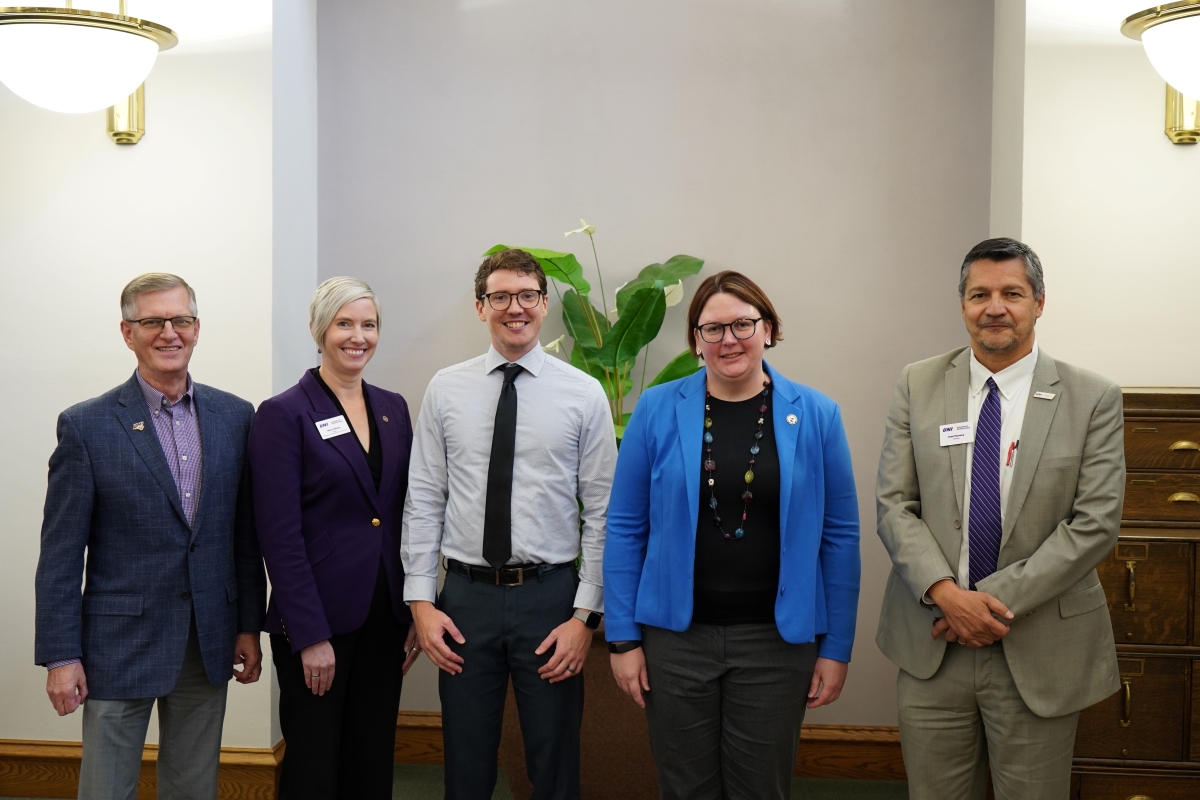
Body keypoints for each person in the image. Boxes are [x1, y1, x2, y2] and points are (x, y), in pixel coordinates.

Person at [875, 237, 1125, 800]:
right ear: (962, 304)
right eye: (979, 293)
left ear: (1039, 302)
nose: (995, 306)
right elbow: (894, 505)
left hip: (1035, 644)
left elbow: (1095, 523)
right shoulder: (917, 383)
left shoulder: (1092, 397)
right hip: (934, 642)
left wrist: (985, 604)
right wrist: (947, 595)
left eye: (1011, 293)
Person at [604, 270, 861, 800]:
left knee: (761, 790)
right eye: (712, 329)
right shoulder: (656, 409)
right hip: (676, 642)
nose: (729, 340)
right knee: (685, 788)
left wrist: (836, 648)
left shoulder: (816, 414)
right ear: (696, 341)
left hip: (776, 644)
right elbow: (626, 528)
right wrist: (623, 638)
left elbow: (840, 537)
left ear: (768, 328)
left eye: (743, 324)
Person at [34, 272, 266, 800]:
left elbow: (243, 537)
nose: (169, 332)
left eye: (180, 319)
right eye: (153, 321)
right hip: (118, 643)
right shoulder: (87, 426)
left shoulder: (235, 416)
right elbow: (61, 555)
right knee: (107, 786)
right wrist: (60, 655)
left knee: (192, 785)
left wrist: (249, 625)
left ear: (197, 327)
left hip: (207, 637)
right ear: (127, 332)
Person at [402, 248, 617, 800]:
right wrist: (422, 604)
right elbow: (424, 497)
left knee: (553, 759)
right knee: (466, 762)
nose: (514, 308)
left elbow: (604, 512)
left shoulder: (583, 394)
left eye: (526, 296)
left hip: (550, 601)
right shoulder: (446, 389)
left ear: (544, 305)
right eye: (500, 297)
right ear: (480, 307)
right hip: (465, 601)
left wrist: (584, 616)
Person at [249, 277, 419, 800]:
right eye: (345, 323)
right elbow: (279, 535)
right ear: (318, 329)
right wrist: (309, 635)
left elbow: (405, 515)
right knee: (315, 767)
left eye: (368, 325)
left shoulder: (393, 408)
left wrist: (415, 608)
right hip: (317, 622)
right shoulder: (283, 413)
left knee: (371, 761)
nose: (358, 337)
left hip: (385, 617)